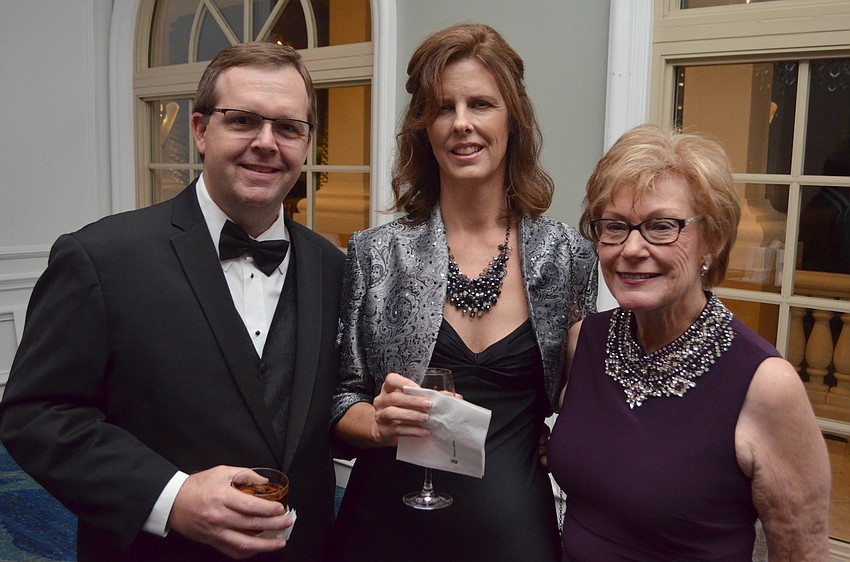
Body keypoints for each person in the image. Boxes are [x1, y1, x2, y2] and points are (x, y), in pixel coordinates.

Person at [0, 42, 345, 561]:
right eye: (244, 120)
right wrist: (173, 497)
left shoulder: (333, 266)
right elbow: (37, 414)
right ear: (201, 130)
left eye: (288, 127)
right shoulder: (101, 257)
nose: (266, 143)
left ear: (307, 142)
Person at [327, 23, 598, 562]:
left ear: (513, 119)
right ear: (422, 129)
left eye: (481, 104)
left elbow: (585, 399)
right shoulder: (376, 253)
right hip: (383, 532)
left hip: (513, 535)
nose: (462, 124)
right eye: (443, 108)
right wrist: (380, 424)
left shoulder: (566, 254)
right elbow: (339, 403)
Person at [549, 124, 831, 561]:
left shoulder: (764, 384)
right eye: (615, 226)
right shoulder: (584, 341)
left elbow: (801, 554)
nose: (632, 248)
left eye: (662, 227)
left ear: (712, 240)